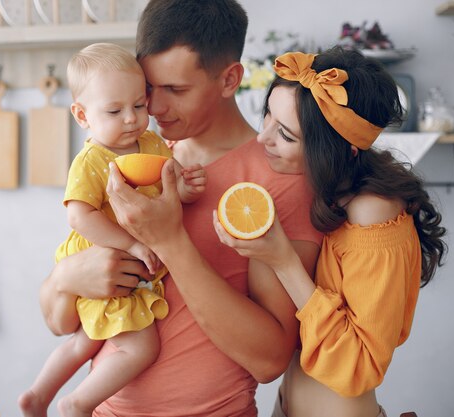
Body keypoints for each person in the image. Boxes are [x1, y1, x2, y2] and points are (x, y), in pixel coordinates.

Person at [39, 1, 323, 416]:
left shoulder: (276, 181)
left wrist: (169, 240)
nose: (152, 110)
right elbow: (58, 322)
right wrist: (66, 278)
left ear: (229, 79)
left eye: (175, 90)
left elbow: (269, 361)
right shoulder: (134, 156)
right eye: (148, 89)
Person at [212, 47, 448, 417]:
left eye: (286, 135)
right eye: (267, 116)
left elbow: (360, 366)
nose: (263, 139)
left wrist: (282, 260)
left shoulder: (373, 214)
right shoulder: (326, 191)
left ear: (338, 149)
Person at [19, 43, 206, 417]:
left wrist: (183, 189)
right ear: (82, 115)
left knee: (86, 339)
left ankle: (37, 396)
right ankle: (77, 403)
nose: (131, 119)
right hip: (105, 258)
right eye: (114, 111)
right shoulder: (91, 160)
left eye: (139, 105)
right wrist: (132, 245)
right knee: (141, 348)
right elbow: (79, 216)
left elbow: (165, 186)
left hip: (123, 265)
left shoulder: (152, 143)